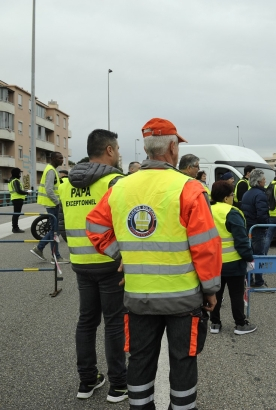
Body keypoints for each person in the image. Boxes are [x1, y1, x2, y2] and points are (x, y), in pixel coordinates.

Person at [86, 117, 222, 410]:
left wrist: (121, 255)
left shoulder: (121, 187)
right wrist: (211, 290)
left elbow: (95, 227)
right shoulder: (189, 189)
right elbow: (206, 246)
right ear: (172, 147)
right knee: (183, 360)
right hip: (183, 299)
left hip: (138, 297)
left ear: (147, 149)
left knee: (140, 359)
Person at [57, 129, 127, 402]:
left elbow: (62, 226)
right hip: (110, 262)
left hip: (80, 263)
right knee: (113, 323)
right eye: (118, 148)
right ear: (109, 150)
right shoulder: (115, 182)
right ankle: (118, 384)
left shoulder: (65, 184)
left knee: (86, 321)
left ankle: (87, 381)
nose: (119, 153)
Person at [209, 181, 257, 335]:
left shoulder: (207, 211)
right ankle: (240, 324)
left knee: (216, 294)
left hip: (212, 263)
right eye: (231, 195)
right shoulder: (232, 212)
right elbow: (241, 240)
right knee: (236, 295)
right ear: (225, 198)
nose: (233, 198)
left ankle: (215, 323)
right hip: (233, 263)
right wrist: (249, 258)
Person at [31, 151, 68, 263]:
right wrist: (58, 202)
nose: (62, 159)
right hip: (52, 205)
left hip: (51, 204)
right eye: (59, 158)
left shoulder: (52, 170)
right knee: (55, 231)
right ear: (52, 159)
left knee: (54, 230)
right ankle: (56, 256)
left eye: (62, 158)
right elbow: (49, 189)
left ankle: (40, 248)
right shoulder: (51, 170)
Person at [240, 169, 271, 289]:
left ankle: (249, 279)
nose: (265, 181)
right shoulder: (260, 195)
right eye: (263, 179)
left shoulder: (247, 193)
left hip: (248, 227)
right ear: (259, 181)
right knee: (259, 255)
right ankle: (259, 281)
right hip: (258, 229)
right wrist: (266, 225)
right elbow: (262, 214)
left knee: (250, 255)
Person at [8, 167, 30, 233]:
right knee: (16, 214)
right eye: (19, 173)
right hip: (17, 198)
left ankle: (15, 227)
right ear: (17, 173)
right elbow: (18, 191)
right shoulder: (15, 180)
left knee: (16, 213)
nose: (20, 174)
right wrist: (26, 192)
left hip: (14, 198)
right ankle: (15, 228)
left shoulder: (11, 180)